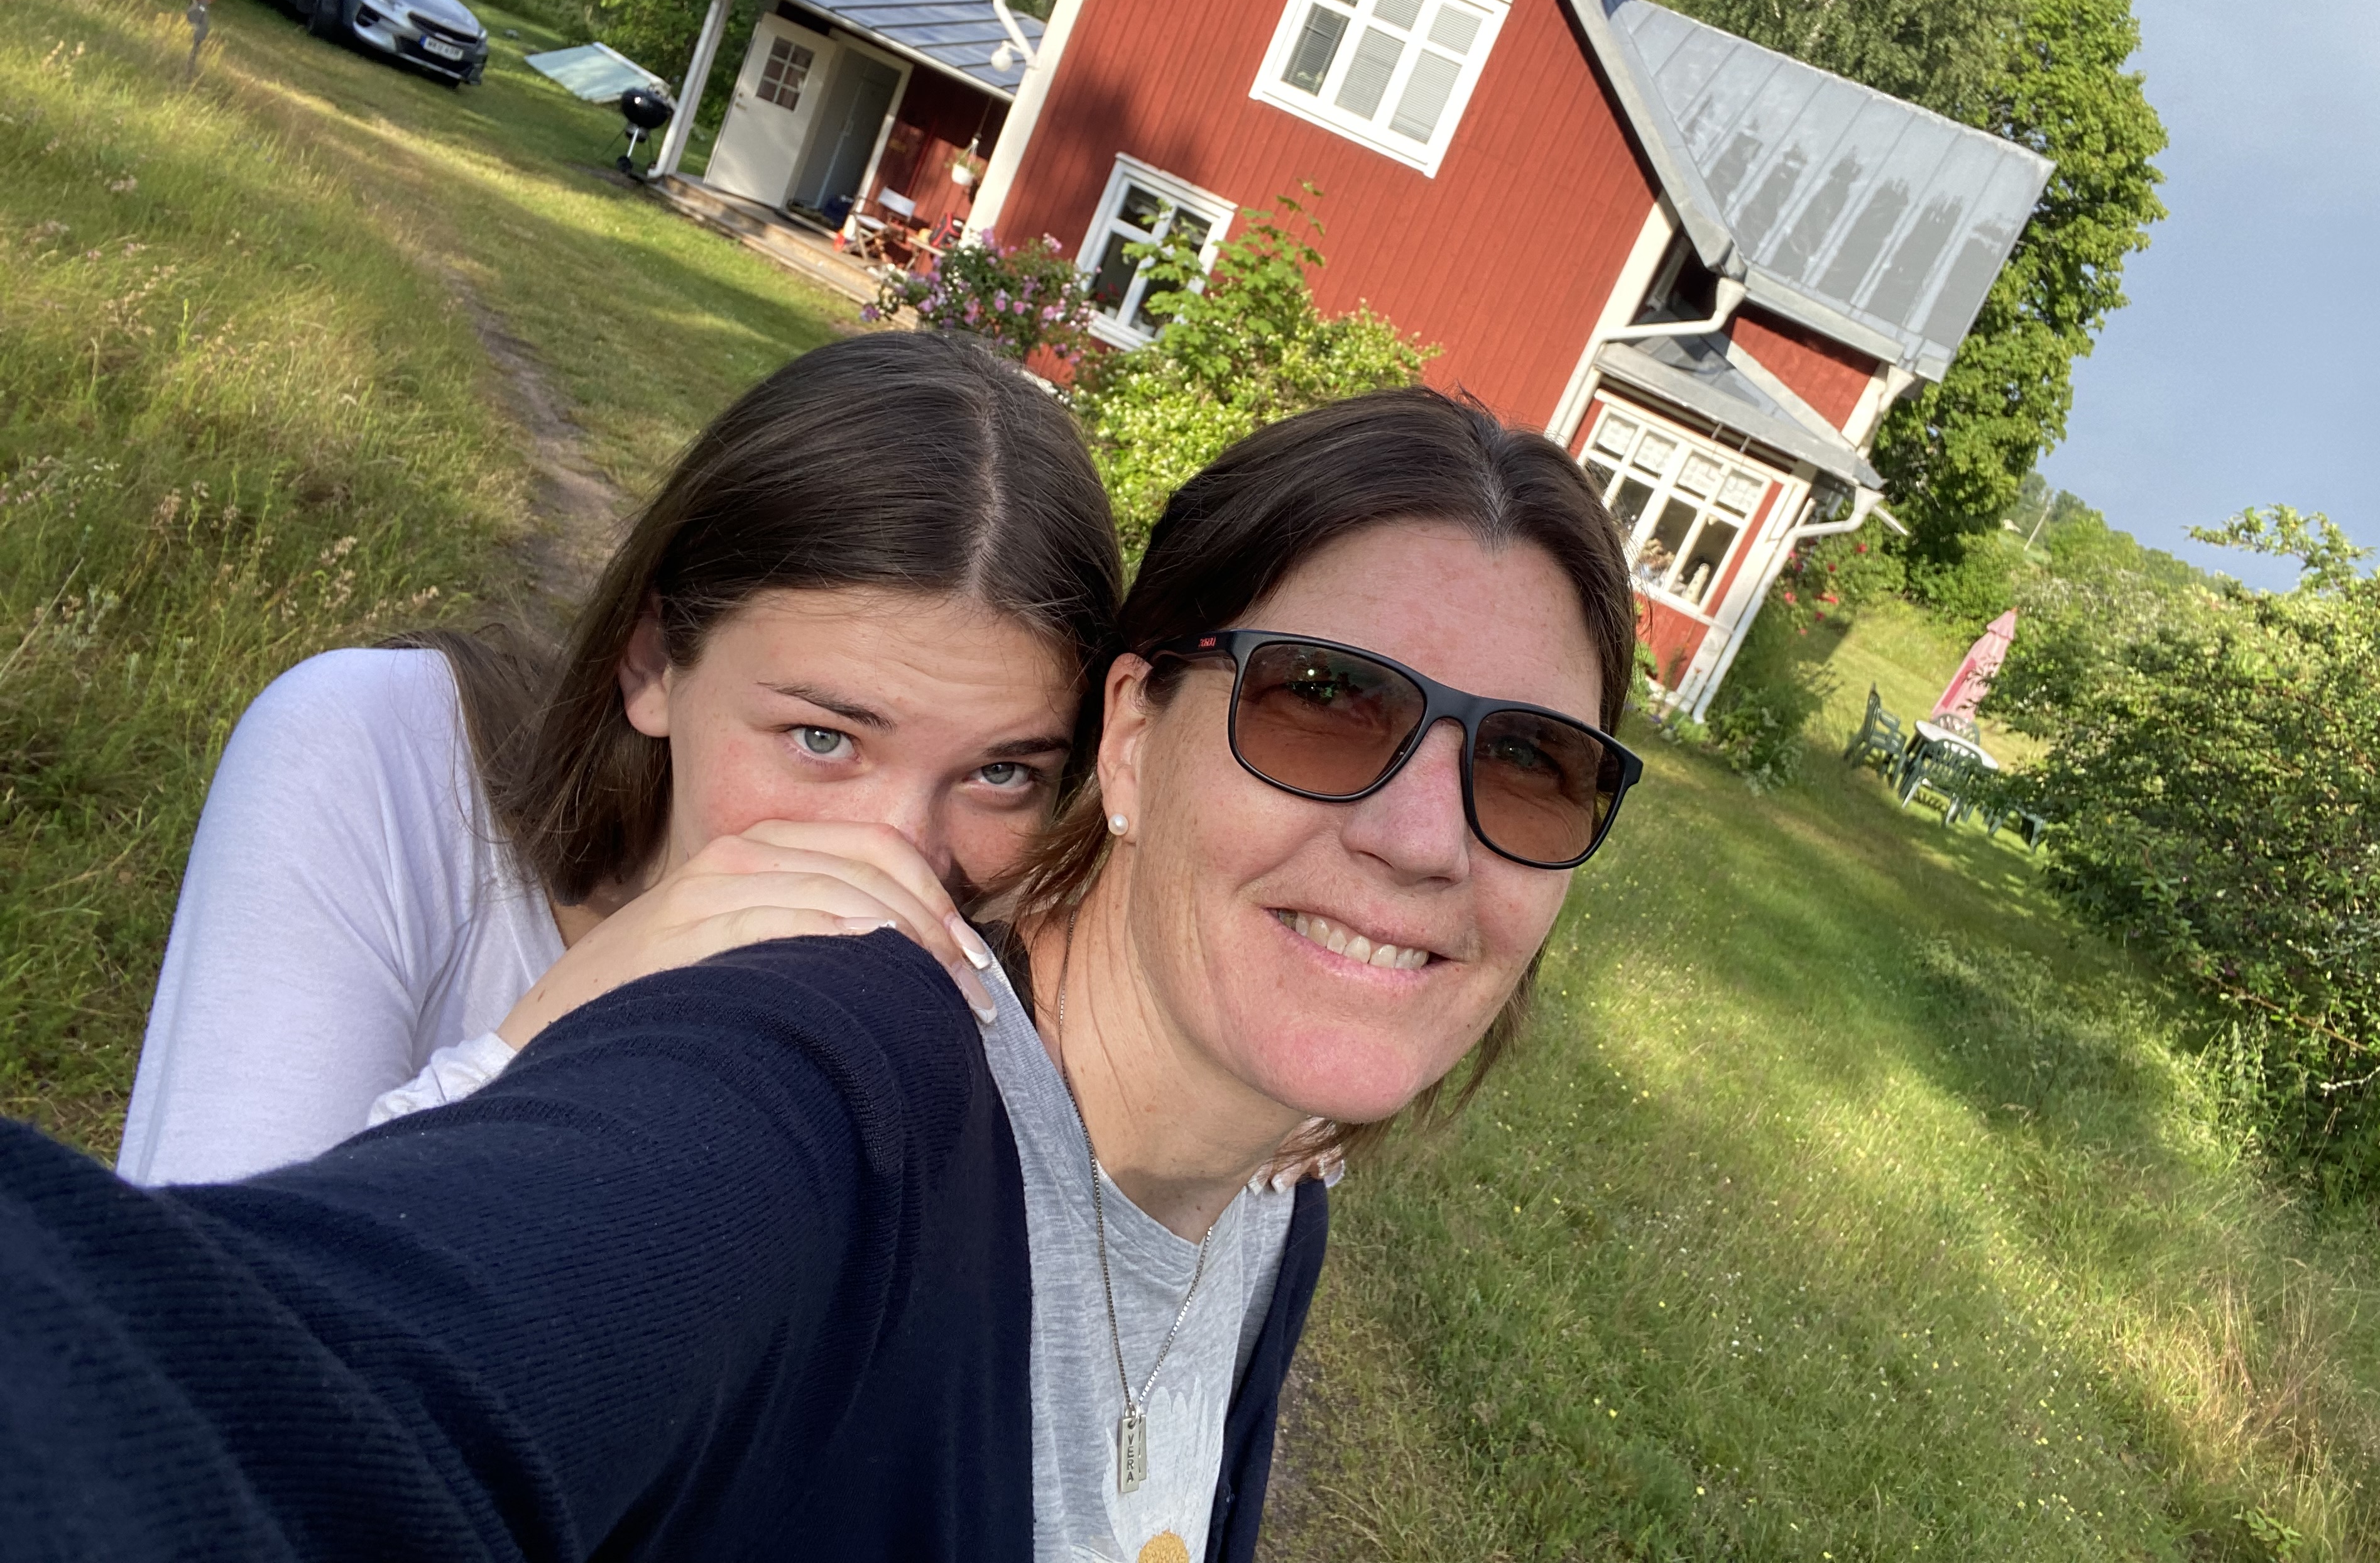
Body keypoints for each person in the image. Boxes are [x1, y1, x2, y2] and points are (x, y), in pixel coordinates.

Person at [1, 386, 1642, 1563]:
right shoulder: (823, 1077)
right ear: (1136, 739)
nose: (1427, 839)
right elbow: (252, 1391)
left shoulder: (1273, 1214)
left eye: (1536, 765)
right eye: (1326, 702)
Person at [116, 331, 1122, 1186]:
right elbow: (202, 1316)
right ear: (652, 665)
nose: (899, 861)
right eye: (823, 738)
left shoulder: (989, 1030)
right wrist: (574, 1018)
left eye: (1001, 774)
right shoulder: (375, 757)